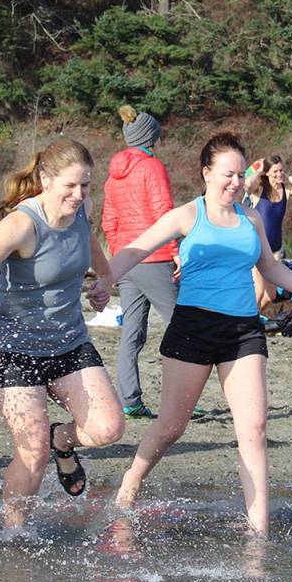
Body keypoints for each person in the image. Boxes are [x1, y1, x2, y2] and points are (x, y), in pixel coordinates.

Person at [96, 132, 292, 536]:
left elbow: (270, 267)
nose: (235, 182)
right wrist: (106, 278)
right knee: (171, 426)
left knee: (254, 429)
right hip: (193, 328)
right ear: (206, 173)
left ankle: (258, 531)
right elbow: (138, 248)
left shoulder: (251, 217)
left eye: (240, 174)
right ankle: (133, 478)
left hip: (243, 331)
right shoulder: (187, 214)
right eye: (227, 174)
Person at [0, 138, 126, 530]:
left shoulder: (81, 211)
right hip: (13, 350)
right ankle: (14, 533)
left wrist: (104, 279)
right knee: (32, 454)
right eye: (70, 186)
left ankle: (62, 438)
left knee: (108, 428)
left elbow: (93, 251)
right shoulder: (21, 225)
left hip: (68, 342)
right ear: (45, 180)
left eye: (86, 186)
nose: (79, 195)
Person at [102, 105, 181, 420]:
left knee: (132, 333)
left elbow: (109, 221)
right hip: (155, 258)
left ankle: (129, 400)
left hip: (125, 261)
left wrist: (116, 259)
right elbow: (165, 213)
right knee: (183, 327)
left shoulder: (112, 176)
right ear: (152, 139)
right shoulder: (153, 168)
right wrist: (175, 250)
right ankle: (181, 400)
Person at [244, 155, 292, 309]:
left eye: (281, 170)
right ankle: (244, 328)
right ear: (267, 173)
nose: (279, 174)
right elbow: (247, 185)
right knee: (259, 291)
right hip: (258, 247)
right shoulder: (260, 189)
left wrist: (288, 177)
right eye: (275, 171)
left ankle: (252, 322)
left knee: (271, 295)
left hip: (275, 248)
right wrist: (260, 171)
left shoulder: (285, 190)